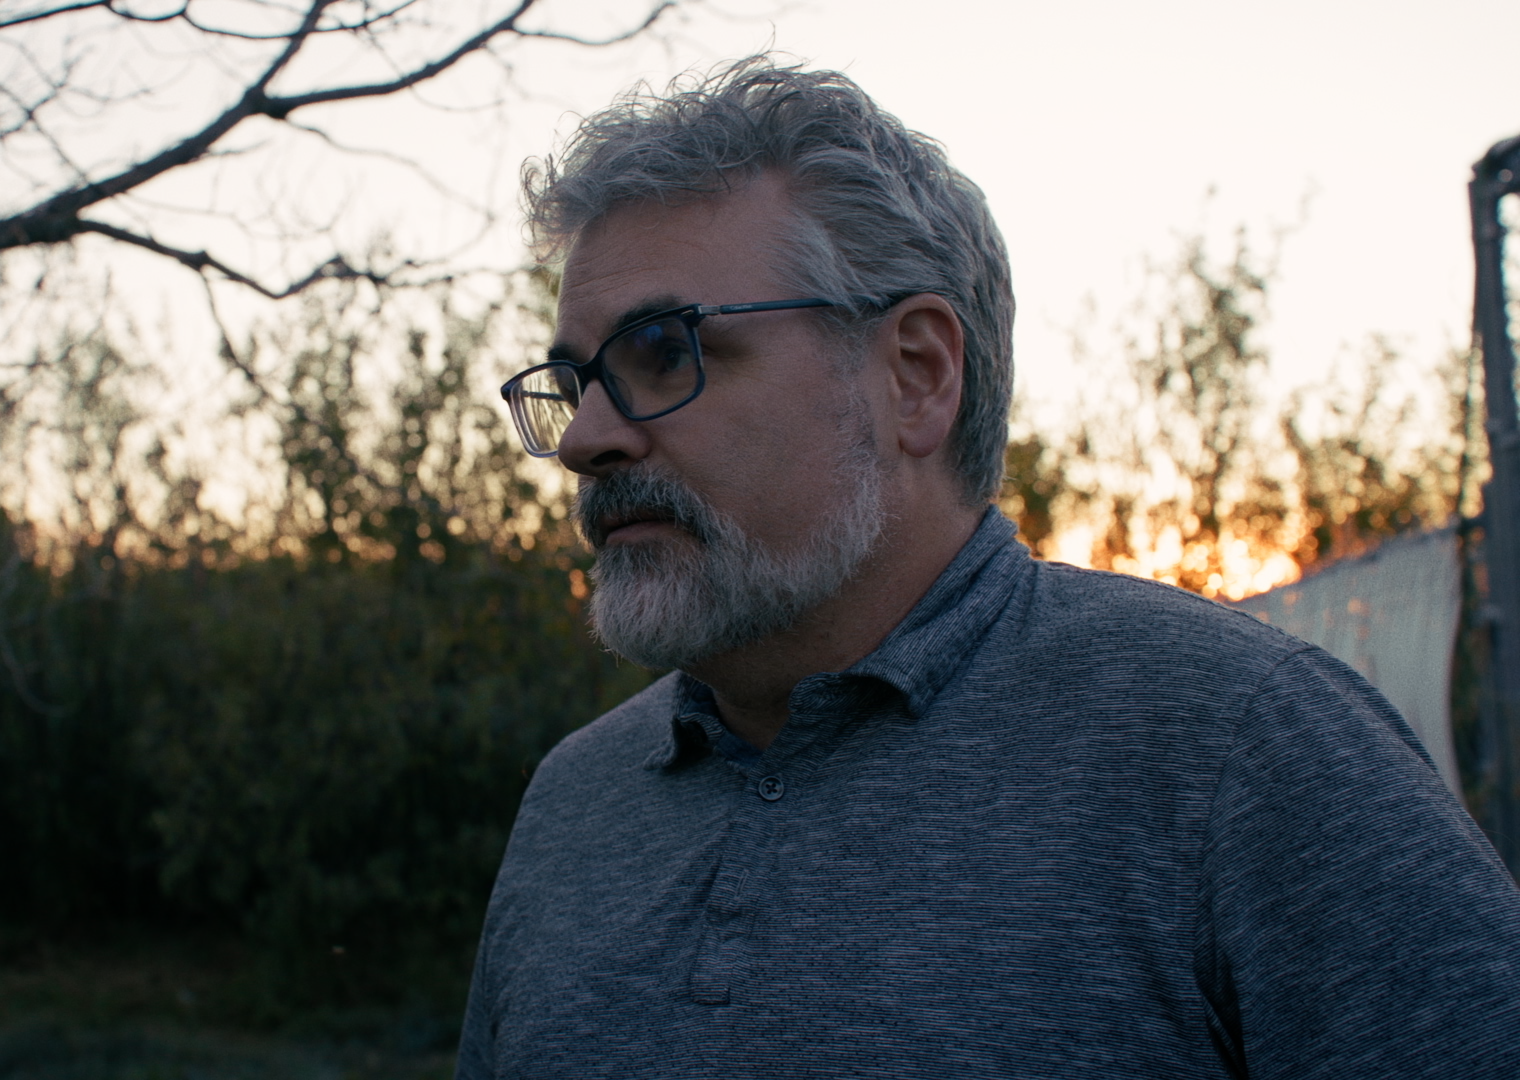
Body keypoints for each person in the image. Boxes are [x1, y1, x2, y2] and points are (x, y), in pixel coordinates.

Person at [457, 57, 1520, 1079]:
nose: (584, 438)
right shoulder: (573, 803)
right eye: (572, 380)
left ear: (916, 376)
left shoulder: (1242, 748)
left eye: (661, 351)